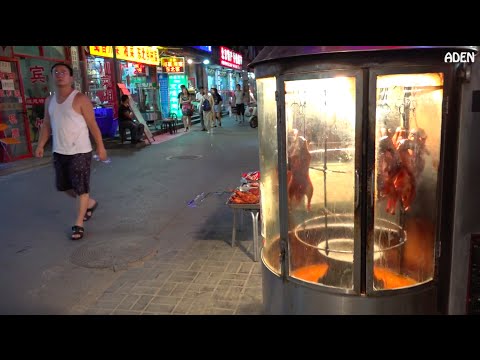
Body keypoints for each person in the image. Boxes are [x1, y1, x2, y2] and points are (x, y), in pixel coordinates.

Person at [34, 62, 108, 241]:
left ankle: (79, 223)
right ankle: (89, 203)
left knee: (81, 188)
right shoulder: (49, 101)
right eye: (56, 72)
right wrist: (41, 144)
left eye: (64, 72)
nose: (60, 75)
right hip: (59, 151)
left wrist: (100, 146)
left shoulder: (80, 99)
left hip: (80, 151)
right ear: (52, 77)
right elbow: (46, 124)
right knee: (64, 186)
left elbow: (92, 125)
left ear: (71, 78)